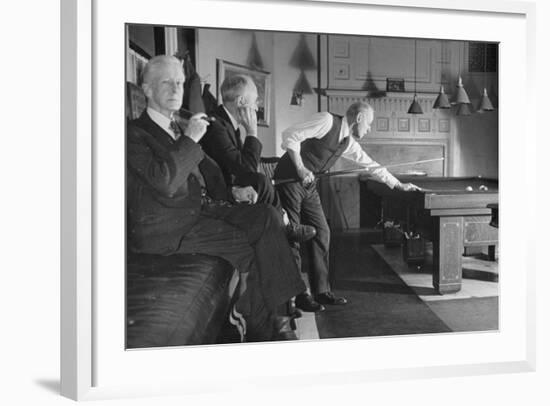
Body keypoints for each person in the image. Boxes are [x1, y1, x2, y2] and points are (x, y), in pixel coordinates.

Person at [126, 55, 305, 341]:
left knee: (266, 216)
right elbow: (166, 182)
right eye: (167, 83)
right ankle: (273, 328)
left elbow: (202, 176)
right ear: (147, 89)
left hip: (199, 212)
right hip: (168, 229)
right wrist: (190, 139)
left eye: (181, 83)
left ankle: (276, 322)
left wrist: (232, 192)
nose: (176, 90)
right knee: (255, 248)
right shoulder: (134, 134)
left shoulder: (175, 127)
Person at [273, 101, 421, 312]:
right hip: (288, 180)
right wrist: (300, 168)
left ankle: (321, 292)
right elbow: (290, 135)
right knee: (294, 236)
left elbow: (370, 165)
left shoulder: (347, 141)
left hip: (308, 186)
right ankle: (298, 296)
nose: (369, 129)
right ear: (358, 118)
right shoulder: (326, 120)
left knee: (322, 232)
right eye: (368, 123)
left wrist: (398, 184)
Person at [200, 74, 315, 243]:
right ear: (240, 102)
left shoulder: (227, 125)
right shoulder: (216, 126)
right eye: (254, 102)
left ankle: (284, 226)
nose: (256, 107)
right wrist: (252, 133)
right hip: (219, 194)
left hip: (231, 187)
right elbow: (247, 170)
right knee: (260, 180)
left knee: (261, 182)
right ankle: (285, 228)